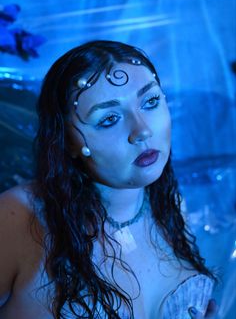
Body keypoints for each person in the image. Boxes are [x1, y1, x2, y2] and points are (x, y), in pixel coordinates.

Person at [0, 40, 218, 318]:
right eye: (109, 119)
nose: (142, 131)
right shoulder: (18, 218)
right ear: (66, 140)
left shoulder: (171, 205)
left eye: (150, 102)